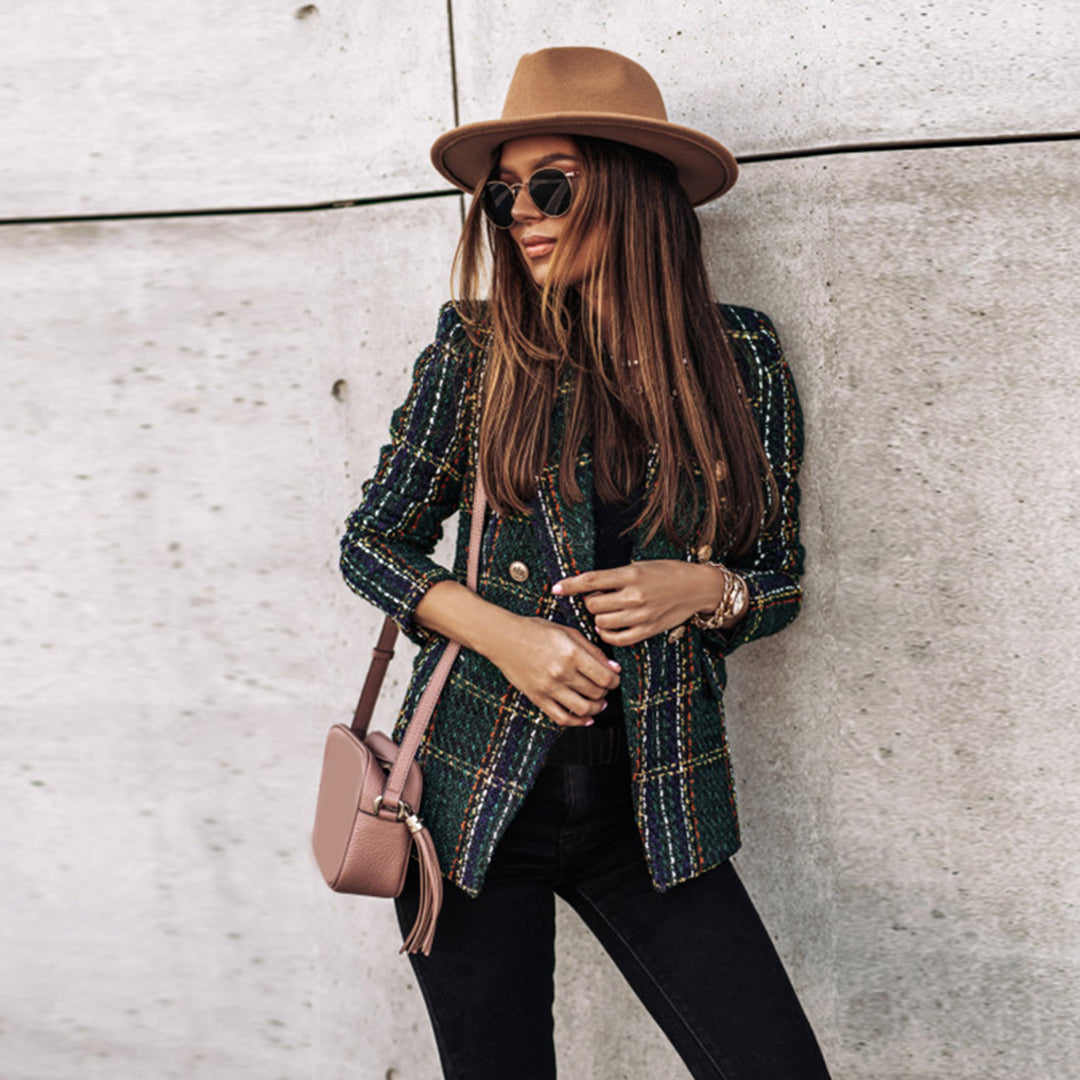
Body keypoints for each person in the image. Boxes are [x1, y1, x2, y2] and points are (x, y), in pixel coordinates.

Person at [339, 46, 831, 1080]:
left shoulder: (741, 360)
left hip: (655, 806)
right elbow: (368, 542)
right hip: (468, 806)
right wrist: (504, 636)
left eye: (550, 184)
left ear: (634, 191)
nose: (521, 212)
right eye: (503, 194)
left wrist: (712, 589)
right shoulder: (475, 355)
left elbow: (779, 573)